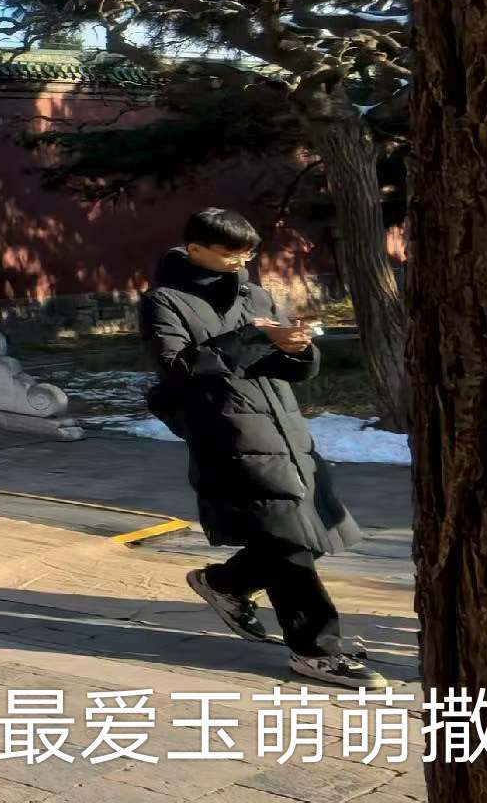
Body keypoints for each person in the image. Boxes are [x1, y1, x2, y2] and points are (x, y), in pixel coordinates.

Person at [143, 207, 387, 690]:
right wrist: (253, 335)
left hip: (284, 429)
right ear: (196, 249)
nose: (242, 262)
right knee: (287, 543)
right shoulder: (164, 301)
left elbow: (284, 367)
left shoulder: (253, 294)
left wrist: (297, 349)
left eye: (248, 254)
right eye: (231, 253)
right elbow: (179, 368)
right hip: (227, 433)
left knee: (310, 530)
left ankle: (224, 584)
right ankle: (316, 650)